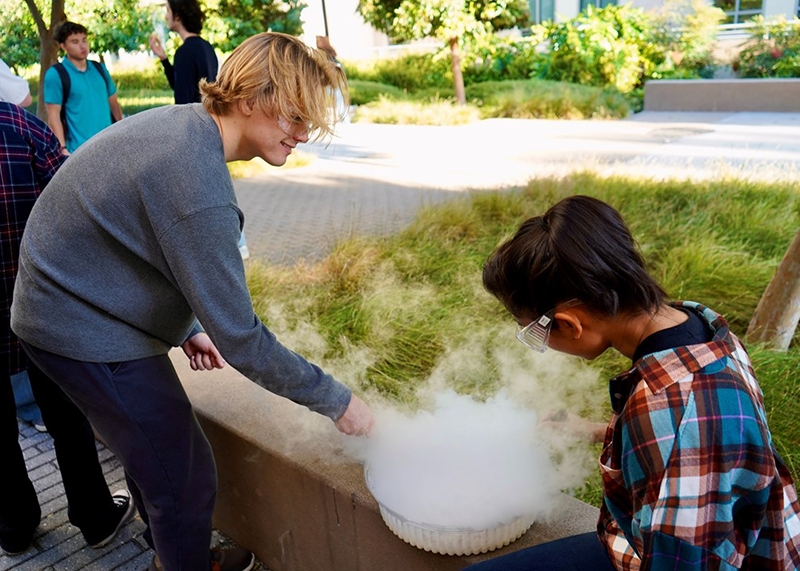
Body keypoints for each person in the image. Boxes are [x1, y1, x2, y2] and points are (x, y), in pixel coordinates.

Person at [12, 32, 375, 571]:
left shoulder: (188, 127)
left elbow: (135, 238)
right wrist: (339, 402)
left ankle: (172, 550)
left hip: (68, 304)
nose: (301, 134)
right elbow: (244, 342)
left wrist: (185, 327)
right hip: (77, 326)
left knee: (155, 455)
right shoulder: (198, 182)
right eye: (295, 117)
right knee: (184, 478)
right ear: (252, 97)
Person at [470, 195, 800, 570]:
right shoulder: (701, 326)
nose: (541, 344)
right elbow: (692, 434)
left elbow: (683, 557)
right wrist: (598, 430)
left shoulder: (663, 412)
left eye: (535, 333)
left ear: (568, 324)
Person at [0, 101, 133, 556]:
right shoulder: (19, 125)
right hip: (38, 308)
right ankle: (95, 518)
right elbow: (75, 200)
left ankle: (15, 523)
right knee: (67, 418)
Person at [43, 21, 123, 155]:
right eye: (75, 42)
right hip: (79, 151)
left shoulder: (100, 69)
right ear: (63, 46)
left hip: (110, 145)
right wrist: (62, 149)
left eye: (84, 40)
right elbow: (53, 115)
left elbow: (114, 104)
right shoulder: (56, 74)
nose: (82, 46)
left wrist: (124, 133)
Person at [148, 0, 218, 105]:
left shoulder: (184, 52)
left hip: (193, 120)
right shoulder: (207, 47)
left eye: (168, 11)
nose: (166, 16)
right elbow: (180, 86)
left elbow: (182, 101)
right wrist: (164, 59)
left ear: (178, 16)